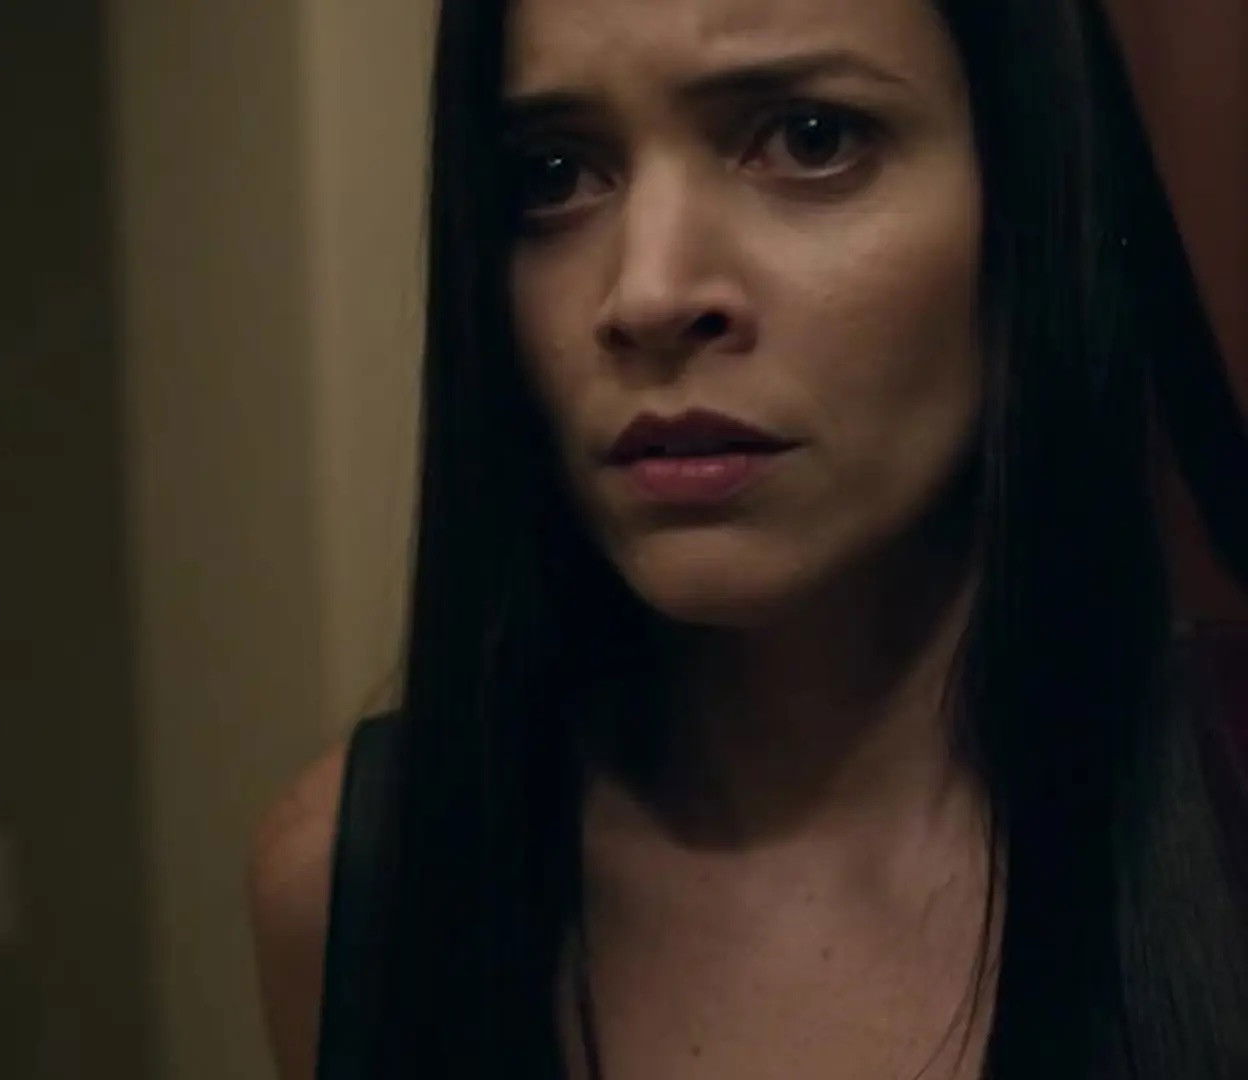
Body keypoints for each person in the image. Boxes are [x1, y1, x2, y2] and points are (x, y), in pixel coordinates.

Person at [248, 0, 1248, 1076]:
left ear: (1032, 188)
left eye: (811, 140)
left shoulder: (1222, 807)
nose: (649, 293)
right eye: (554, 172)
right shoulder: (363, 883)